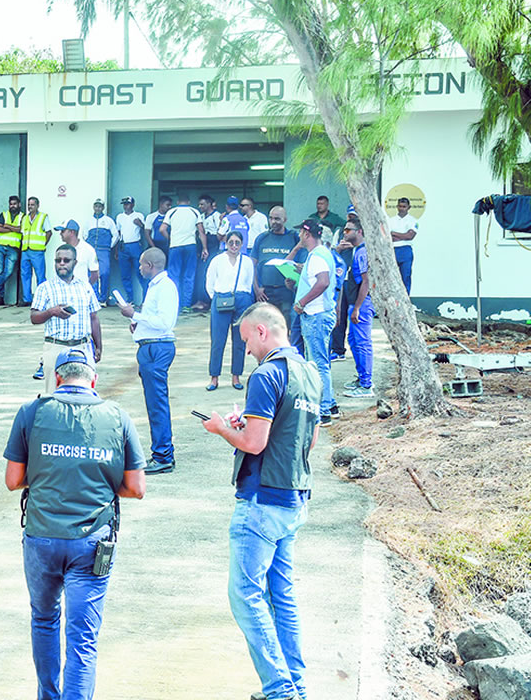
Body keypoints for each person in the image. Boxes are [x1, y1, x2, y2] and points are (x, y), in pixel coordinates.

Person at [3, 347, 146, 700]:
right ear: (93, 381)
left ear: (57, 379)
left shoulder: (32, 412)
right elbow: (136, 488)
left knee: (44, 619)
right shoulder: (117, 416)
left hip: (41, 537)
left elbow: (12, 479)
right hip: (92, 541)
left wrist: (49, 475)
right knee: (83, 637)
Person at [200, 302, 321, 700]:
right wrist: (248, 423)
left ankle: (280, 689)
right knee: (281, 596)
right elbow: (307, 439)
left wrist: (222, 429)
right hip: (294, 496)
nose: (246, 349)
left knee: (245, 594)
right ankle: (295, 686)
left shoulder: (267, 374)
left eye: (247, 339)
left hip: (261, 501)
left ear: (262, 332)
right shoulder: (309, 373)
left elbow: (255, 443)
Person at [116, 247, 177, 475]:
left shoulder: (165, 287)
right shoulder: (155, 287)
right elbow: (155, 321)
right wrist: (138, 324)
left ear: (150, 265)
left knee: (157, 403)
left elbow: (165, 322)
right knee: (154, 403)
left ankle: (163, 455)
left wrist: (135, 315)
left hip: (157, 348)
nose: (139, 268)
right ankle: (162, 452)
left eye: (142, 264)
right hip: (150, 346)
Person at [30, 245, 103, 395]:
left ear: (75, 263)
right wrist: (51, 312)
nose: (62, 263)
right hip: (55, 347)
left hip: (82, 347)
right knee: (53, 394)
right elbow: (34, 317)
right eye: (58, 260)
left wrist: (98, 346)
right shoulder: (45, 288)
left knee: (84, 394)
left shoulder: (85, 287)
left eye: (66, 260)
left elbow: (94, 318)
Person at [292, 218, 337, 424]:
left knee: (318, 364)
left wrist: (301, 302)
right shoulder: (320, 254)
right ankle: (330, 403)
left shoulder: (317, 256)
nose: (300, 236)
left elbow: (323, 282)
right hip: (320, 314)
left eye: (301, 232)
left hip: (315, 315)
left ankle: (324, 410)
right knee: (321, 361)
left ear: (306, 234)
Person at [207, 231, 257, 392]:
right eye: (231, 242)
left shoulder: (247, 261)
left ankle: (236, 376)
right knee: (217, 341)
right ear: (225, 243)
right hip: (221, 299)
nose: (234, 246)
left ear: (241, 244)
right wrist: (216, 298)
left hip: (242, 300)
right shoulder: (217, 260)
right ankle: (214, 377)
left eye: (237, 243)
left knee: (239, 341)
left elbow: (249, 283)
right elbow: (209, 282)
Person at [340, 218, 376, 399]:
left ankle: (366, 384)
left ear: (359, 231)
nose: (345, 233)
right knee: (354, 341)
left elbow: (366, 282)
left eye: (348, 230)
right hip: (355, 302)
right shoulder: (355, 251)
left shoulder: (362, 252)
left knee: (362, 343)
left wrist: (358, 308)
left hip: (361, 303)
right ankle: (362, 377)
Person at [251, 206, 301, 322]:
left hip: (286, 291)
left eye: (277, 219)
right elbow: (252, 265)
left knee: (285, 325)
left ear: (285, 220)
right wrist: (257, 288)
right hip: (265, 292)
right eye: (271, 218)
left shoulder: (294, 238)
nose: (273, 222)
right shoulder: (262, 238)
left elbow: (301, 264)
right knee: (266, 325)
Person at [161, 196, 204, 313]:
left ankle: (174, 304)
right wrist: (204, 248)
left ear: (177, 201)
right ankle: (186, 305)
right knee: (189, 276)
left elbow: (162, 229)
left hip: (175, 246)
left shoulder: (172, 211)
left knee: (174, 276)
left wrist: (170, 238)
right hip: (190, 246)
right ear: (189, 202)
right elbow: (201, 231)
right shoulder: (194, 212)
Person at [329, 205, 359, 361]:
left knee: (354, 315)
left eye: (354, 215)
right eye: (350, 215)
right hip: (341, 280)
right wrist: (339, 249)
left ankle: (357, 351)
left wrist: (354, 245)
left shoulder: (362, 232)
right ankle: (338, 349)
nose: (351, 217)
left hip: (355, 281)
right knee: (338, 316)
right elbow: (332, 253)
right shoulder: (339, 232)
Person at [0, 195, 24, 306]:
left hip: (13, 248)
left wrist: (7, 226)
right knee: (0, 272)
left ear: (19, 205)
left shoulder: (23, 217)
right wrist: (13, 228)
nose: (12, 206)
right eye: (11, 204)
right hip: (0, 246)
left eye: (15, 204)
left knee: (8, 272)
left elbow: (21, 229)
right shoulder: (3, 215)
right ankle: (0, 298)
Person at [194, 194, 227, 313]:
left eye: (202, 204)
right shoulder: (201, 217)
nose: (200, 206)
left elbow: (221, 234)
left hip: (213, 244)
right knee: (200, 273)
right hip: (203, 244)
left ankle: (207, 301)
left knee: (209, 273)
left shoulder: (217, 216)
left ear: (209, 204)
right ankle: (201, 300)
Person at [82, 199, 118, 305]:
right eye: (96, 206)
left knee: (104, 273)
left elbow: (115, 235)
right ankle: (94, 298)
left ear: (103, 208)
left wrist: (109, 246)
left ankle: (103, 299)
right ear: (94, 207)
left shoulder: (108, 221)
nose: (98, 208)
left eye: (100, 206)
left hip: (104, 251)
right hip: (92, 250)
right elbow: (84, 234)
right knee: (92, 273)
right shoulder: (89, 221)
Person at [18, 196, 50, 306]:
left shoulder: (43, 217)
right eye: (29, 205)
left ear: (37, 205)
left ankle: (42, 299)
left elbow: (48, 232)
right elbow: (23, 233)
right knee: (25, 275)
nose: (30, 207)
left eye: (32, 205)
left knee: (40, 276)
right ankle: (27, 299)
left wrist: (43, 244)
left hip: (37, 251)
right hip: (25, 250)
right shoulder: (25, 218)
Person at [114, 196, 147, 304]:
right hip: (123, 246)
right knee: (125, 274)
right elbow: (118, 234)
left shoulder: (138, 215)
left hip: (135, 245)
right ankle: (130, 299)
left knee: (141, 272)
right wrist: (116, 250)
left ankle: (145, 300)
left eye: (128, 204)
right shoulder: (119, 217)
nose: (126, 206)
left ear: (133, 205)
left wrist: (140, 224)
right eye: (124, 204)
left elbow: (146, 230)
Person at [59, 220, 99, 289]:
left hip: (81, 291)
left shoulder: (88, 249)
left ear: (72, 232)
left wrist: (86, 287)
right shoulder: (61, 250)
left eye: (63, 231)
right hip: (63, 290)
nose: (60, 234)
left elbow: (95, 274)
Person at [391, 196, 417, 294]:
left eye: (404, 207)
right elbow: (388, 237)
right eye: (400, 206)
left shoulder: (412, 220)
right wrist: (403, 235)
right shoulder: (390, 220)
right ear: (397, 207)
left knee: (405, 276)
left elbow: (410, 236)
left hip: (405, 250)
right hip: (393, 249)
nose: (402, 209)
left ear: (408, 207)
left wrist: (394, 233)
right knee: (392, 276)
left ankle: (406, 298)